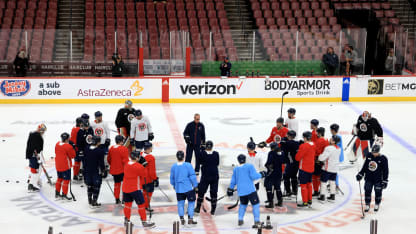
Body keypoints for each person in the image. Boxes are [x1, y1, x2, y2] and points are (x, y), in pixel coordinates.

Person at [227, 154, 266, 228]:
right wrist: (262, 174)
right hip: (251, 190)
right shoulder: (249, 166)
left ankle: (240, 219)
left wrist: (230, 189)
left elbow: (233, 181)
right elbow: (254, 176)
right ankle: (257, 220)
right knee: (256, 205)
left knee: (243, 205)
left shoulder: (236, 169)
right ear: (245, 159)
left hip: (241, 191)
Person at [122, 151, 155, 228]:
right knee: (141, 205)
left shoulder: (126, 164)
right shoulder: (138, 166)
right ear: (137, 157)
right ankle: (144, 222)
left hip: (126, 188)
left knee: (127, 205)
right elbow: (144, 174)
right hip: (135, 189)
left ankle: (127, 220)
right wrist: (144, 165)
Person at [356, 145, 389, 212]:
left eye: (375, 152)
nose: (373, 153)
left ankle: (377, 203)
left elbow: (386, 170)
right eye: (373, 152)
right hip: (369, 178)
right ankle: (367, 204)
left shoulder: (383, 158)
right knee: (367, 191)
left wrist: (385, 180)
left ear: (378, 151)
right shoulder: (369, 155)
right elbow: (365, 166)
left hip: (378, 179)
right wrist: (361, 173)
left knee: (378, 192)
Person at [170, 151, 198, 226]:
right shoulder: (188, 165)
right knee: (191, 203)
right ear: (183, 157)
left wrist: (174, 185)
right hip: (188, 188)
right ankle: (190, 219)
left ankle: (182, 219)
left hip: (179, 189)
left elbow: (172, 178)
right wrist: (195, 185)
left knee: (180, 204)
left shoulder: (174, 166)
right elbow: (192, 176)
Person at [194, 140, 219, 215]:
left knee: (201, 192)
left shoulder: (202, 154)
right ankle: (213, 209)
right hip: (214, 175)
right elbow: (217, 163)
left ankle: (198, 208)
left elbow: (199, 161)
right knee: (213, 193)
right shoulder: (216, 154)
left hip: (206, 176)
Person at [84, 136, 107, 208]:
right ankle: (94, 201)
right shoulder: (100, 151)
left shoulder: (86, 148)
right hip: (96, 171)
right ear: (98, 142)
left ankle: (89, 200)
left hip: (87, 170)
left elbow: (84, 160)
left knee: (89, 185)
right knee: (96, 186)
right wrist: (104, 170)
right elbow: (101, 163)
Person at [317, 135, 341, 202]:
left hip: (327, 168)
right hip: (335, 168)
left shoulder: (328, 148)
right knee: (332, 181)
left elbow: (322, 158)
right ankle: (332, 196)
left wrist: (319, 157)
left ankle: (322, 196)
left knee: (323, 182)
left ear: (333, 141)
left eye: (331, 139)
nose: (330, 139)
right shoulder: (338, 148)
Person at [295, 131, 316, 208]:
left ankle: (305, 202)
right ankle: (309, 200)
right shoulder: (313, 144)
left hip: (303, 168)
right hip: (311, 168)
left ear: (305, 138)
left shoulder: (304, 146)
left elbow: (297, 158)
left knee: (303, 185)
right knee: (309, 184)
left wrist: (298, 151)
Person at [107, 135, 129, 204]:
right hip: (122, 170)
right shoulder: (124, 149)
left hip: (114, 170)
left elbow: (109, 159)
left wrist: (113, 165)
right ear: (121, 141)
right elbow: (125, 161)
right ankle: (124, 199)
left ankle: (117, 198)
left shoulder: (111, 148)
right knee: (124, 185)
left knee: (117, 184)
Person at [54, 132, 76, 200]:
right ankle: (64, 194)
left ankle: (57, 193)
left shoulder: (57, 144)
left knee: (59, 178)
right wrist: (73, 148)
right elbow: (73, 156)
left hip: (58, 165)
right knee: (66, 180)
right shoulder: (68, 146)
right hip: (66, 166)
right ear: (67, 139)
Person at [25, 124, 47, 192]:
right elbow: (34, 147)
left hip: (33, 154)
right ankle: (33, 185)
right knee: (36, 169)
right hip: (34, 155)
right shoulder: (36, 135)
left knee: (34, 168)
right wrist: (37, 156)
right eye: (43, 130)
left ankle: (32, 182)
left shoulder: (35, 134)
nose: (43, 132)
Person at [264, 142, 284, 208]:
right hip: (279, 172)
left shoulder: (271, 153)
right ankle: (280, 201)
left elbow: (268, 162)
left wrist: (266, 165)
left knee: (268, 188)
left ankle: (270, 203)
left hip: (272, 173)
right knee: (277, 187)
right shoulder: (282, 153)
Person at [281, 130, 300, 198]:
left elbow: (282, 149)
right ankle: (294, 191)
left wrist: (283, 140)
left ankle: (288, 191)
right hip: (297, 163)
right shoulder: (297, 143)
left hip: (290, 162)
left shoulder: (286, 143)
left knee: (286, 176)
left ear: (288, 136)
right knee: (294, 176)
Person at [141, 142, 158, 212]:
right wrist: (155, 179)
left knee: (144, 192)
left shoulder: (141, 154)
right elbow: (152, 171)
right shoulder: (151, 158)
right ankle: (146, 206)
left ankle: (143, 205)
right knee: (149, 193)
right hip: (148, 179)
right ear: (150, 148)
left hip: (141, 178)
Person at [312, 127, 329, 197]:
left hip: (317, 159)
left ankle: (316, 190)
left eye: (317, 132)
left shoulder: (320, 141)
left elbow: (317, 151)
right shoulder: (326, 140)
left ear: (319, 133)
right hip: (324, 160)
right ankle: (319, 190)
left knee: (315, 176)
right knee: (319, 176)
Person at [330, 124, 344, 190]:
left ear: (333, 130)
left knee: (334, 171)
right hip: (337, 156)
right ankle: (334, 183)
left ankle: (336, 184)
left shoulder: (337, 137)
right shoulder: (336, 136)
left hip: (337, 157)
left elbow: (335, 146)